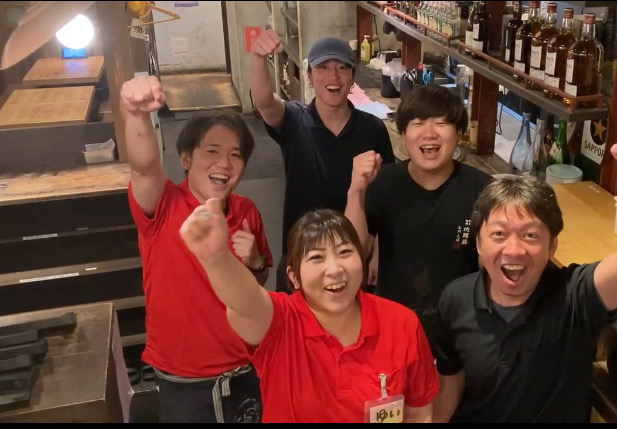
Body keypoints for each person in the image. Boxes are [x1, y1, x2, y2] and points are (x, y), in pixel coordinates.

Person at [433, 133, 617, 422]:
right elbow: (451, 383)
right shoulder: (455, 299)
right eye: (498, 234)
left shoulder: (575, 296)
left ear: (552, 247)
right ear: (478, 244)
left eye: (530, 235)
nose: (514, 249)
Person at [179, 205, 439, 423]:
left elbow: (418, 413)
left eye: (345, 252)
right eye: (316, 257)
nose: (334, 269)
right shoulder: (279, 320)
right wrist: (216, 258)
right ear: (294, 277)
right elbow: (245, 301)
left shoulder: (401, 323)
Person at [121, 75, 273, 423]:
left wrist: (255, 263)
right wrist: (136, 114)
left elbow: (257, 284)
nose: (225, 163)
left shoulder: (246, 211)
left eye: (236, 155)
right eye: (212, 151)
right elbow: (144, 167)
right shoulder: (163, 204)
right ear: (186, 158)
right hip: (185, 379)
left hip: (246, 368)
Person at [344, 84, 493, 352]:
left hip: (462, 329)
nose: (429, 133)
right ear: (403, 134)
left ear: (459, 133)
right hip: (394, 324)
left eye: (441, 123)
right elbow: (354, 252)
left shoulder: (483, 190)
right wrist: (356, 191)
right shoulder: (383, 183)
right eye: (418, 123)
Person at [248, 29, 395, 293]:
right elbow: (265, 102)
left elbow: (388, 195)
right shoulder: (294, 120)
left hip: (353, 254)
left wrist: (379, 250)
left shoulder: (372, 128)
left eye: (342, 67)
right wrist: (258, 57)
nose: (333, 76)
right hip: (302, 252)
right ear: (309, 76)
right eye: (323, 67)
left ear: (353, 78)